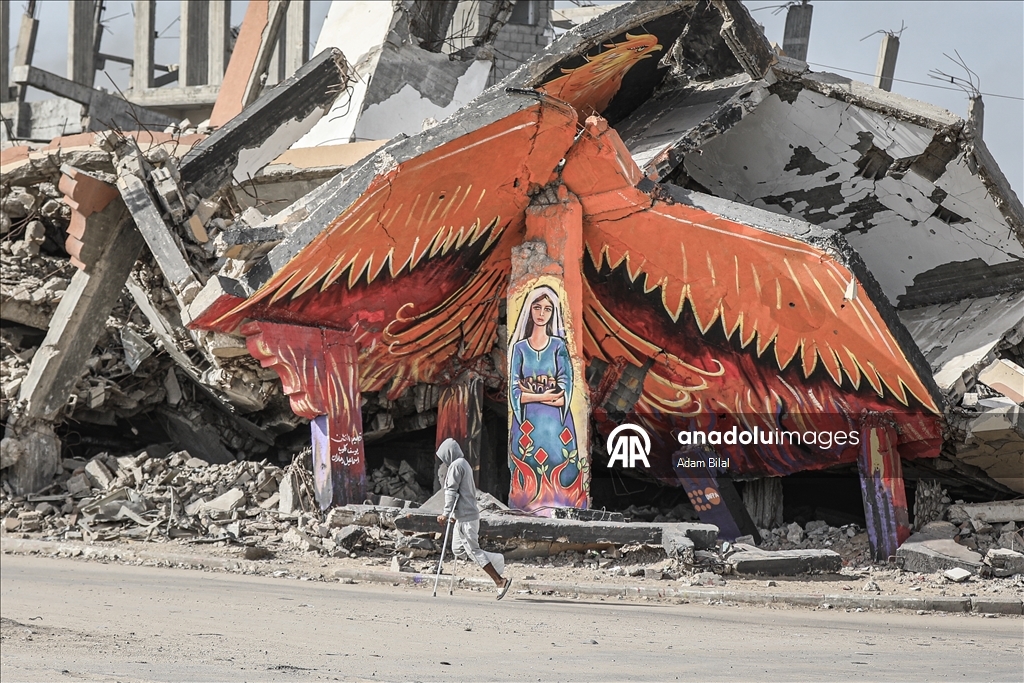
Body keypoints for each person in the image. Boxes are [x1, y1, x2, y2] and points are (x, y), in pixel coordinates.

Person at [508, 285, 586, 511]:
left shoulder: (558, 346)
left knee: (561, 468)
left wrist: (529, 395)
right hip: (527, 426)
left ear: (553, 313)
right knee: (527, 468)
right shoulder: (520, 348)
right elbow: (514, 389)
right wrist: (542, 396)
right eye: (537, 307)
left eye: (547, 309)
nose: (542, 313)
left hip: (557, 426)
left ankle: (566, 507)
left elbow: (565, 389)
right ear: (529, 311)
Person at [435, 438, 512, 600]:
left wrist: (446, 513)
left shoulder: (456, 466)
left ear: (449, 454)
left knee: (474, 551)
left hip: (467, 519)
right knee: (457, 549)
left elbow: (451, 492)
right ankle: (496, 559)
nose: (443, 462)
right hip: (464, 516)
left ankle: (500, 581)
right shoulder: (464, 464)